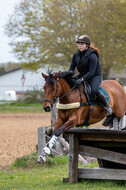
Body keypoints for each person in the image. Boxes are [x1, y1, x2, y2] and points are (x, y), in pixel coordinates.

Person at [69, 34, 112, 115]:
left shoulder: (92, 55)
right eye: (78, 44)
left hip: (94, 76)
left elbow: (91, 72)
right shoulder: (75, 55)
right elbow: (71, 69)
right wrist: (69, 76)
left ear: (87, 45)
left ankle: (107, 106)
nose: (80, 46)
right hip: (82, 74)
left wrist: (81, 79)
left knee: (94, 90)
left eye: (82, 44)